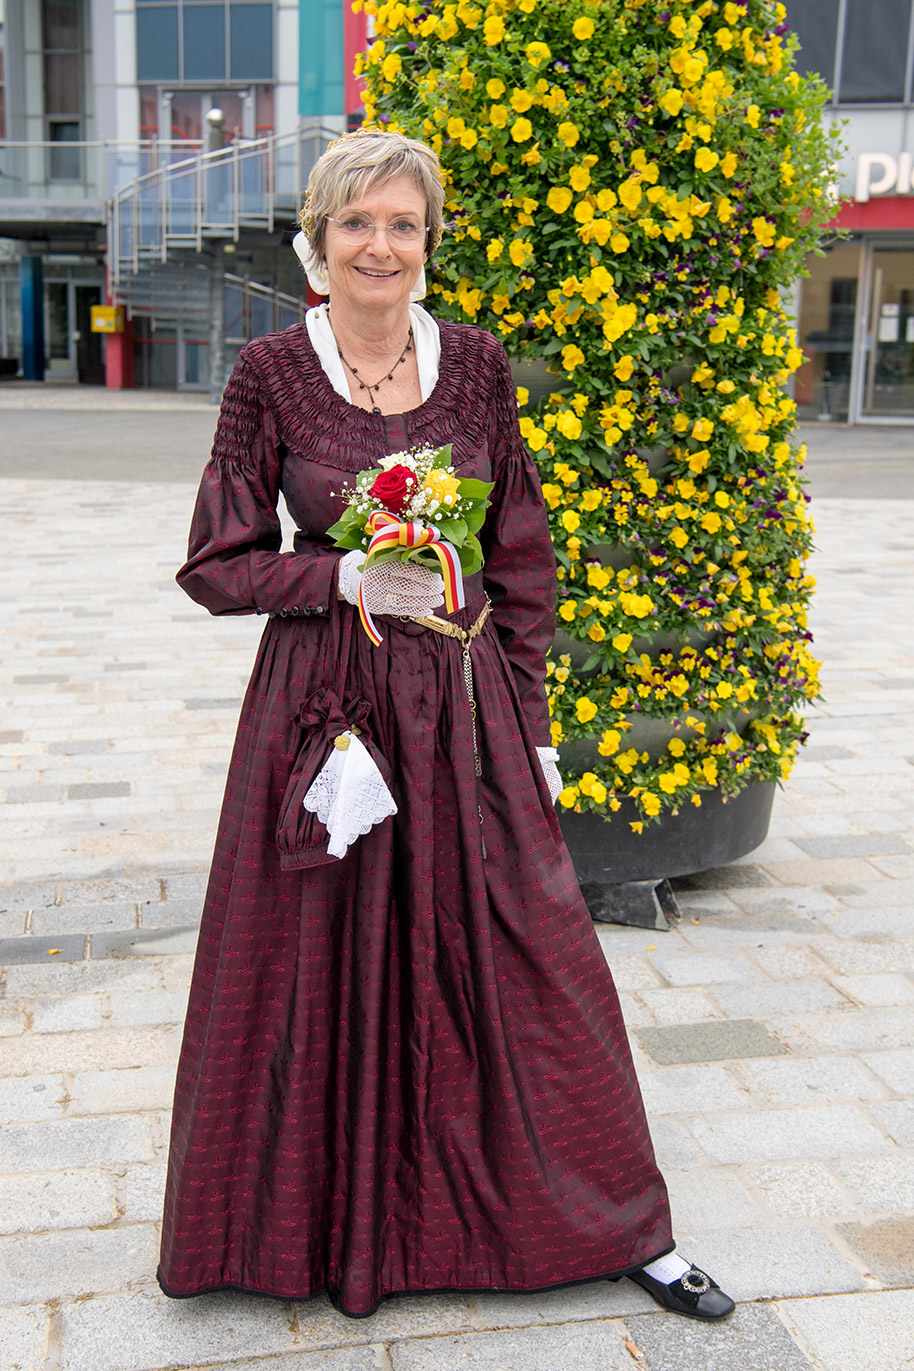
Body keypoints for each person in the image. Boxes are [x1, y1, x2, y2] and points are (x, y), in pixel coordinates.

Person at [158, 130, 734, 1324]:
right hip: (321, 712)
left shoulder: (473, 365)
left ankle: (622, 1221)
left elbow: (518, 556)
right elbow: (217, 564)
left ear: (428, 243)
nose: (382, 245)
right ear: (317, 245)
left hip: (463, 709)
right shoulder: (270, 371)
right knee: (309, 961)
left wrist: (527, 728)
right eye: (357, 223)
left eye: (403, 225)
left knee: (538, 955)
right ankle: (301, 1233)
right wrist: (339, 580)